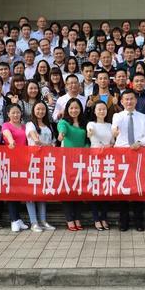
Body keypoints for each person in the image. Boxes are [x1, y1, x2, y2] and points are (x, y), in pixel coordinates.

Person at [112, 90, 145, 231]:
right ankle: (123, 221)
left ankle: (139, 221)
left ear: (136, 100)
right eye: (126, 99)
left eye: (131, 99)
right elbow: (114, 129)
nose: (129, 102)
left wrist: (139, 143)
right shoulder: (117, 116)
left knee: (138, 188)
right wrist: (115, 131)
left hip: (138, 155)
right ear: (122, 101)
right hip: (121, 156)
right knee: (122, 188)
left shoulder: (143, 117)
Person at [25, 101, 57, 232]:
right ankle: (34, 222)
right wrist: (46, 145)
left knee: (42, 192)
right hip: (33, 162)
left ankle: (43, 221)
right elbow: (36, 140)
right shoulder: (30, 124)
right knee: (31, 193)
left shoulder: (48, 125)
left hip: (46, 162)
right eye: (38, 109)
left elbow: (54, 143)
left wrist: (47, 146)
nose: (40, 111)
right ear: (33, 110)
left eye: (43, 109)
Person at [57, 98, 88, 231]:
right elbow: (62, 129)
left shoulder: (84, 123)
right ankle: (69, 219)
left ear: (80, 109)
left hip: (81, 162)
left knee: (79, 190)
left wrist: (85, 151)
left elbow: (87, 141)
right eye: (71, 108)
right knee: (68, 190)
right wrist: (61, 134)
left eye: (76, 108)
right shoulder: (64, 122)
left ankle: (77, 218)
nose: (74, 110)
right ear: (67, 110)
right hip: (68, 162)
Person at [1, 104, 30, 232]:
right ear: (8, 114)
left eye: (18, 112)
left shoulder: (24, 126)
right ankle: (13, 220)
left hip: (23, 162)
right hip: (10, 162)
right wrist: (11, 140)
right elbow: (7, 134)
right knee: (11, 191)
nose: (16, 115)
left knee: (19, 191)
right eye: (13, 112)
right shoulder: (6, 125)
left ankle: (18, 219)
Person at [87, 101, 113, 231]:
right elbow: (89, 133)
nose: (102, 111)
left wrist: (108, 146)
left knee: (106, 189)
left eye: (104, 109)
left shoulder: (110, 125)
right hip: (95, 160)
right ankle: (96, 218)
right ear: (94, 111)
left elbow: (113, 142)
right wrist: (90, 132)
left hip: (108, 160)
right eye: (99, 109)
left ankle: (104, 217)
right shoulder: (91, 124)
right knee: (95, 190)